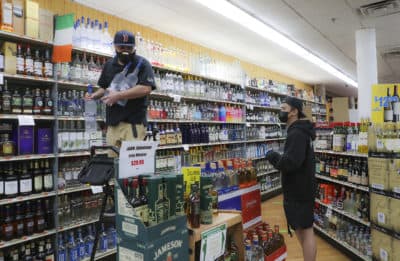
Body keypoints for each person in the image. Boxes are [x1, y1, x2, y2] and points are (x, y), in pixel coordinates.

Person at [265, 97, 317, 261]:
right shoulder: (299, 131)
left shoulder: (297, 133)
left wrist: (273, 156)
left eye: (284, 108)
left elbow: (291, 163)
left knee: (306, 231)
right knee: (302, 230)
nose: (281, 111)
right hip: (301, 187)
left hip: (299, 189)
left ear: (294, 111)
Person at [86, 30, 156, 147]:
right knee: (113, 163)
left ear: (134, 48)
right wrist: (94, 96)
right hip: (112, 125)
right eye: (121, 47)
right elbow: (104, 88)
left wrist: (119, 95)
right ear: (115, 46)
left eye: (129, 48)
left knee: (132, 163)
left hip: (133, 124)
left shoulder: (143, 64)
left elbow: (146, 88)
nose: (125, 51)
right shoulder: (109, 65)